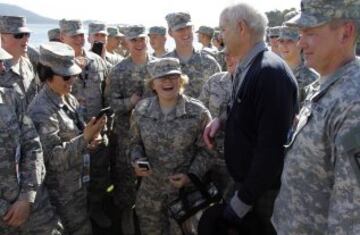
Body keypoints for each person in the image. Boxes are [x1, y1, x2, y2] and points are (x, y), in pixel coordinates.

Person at [202, 3, 298, 235]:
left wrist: (242, 201)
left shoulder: (269, 73)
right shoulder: (249, 66)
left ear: (241, 28)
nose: (220, 36)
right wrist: (222, 120)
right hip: (248, 185)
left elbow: (271, 149)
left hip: (260, 194)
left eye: (223, 30)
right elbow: (245, 108)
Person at [272, 0, 360, 234]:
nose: (300, 42)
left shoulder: (354, 101)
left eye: (309, 32)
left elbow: (352, 216)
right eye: (300, 33)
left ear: (346, 32)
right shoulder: (321, 85)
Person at [27, 42, 107, 235]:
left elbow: (78, 134)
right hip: (62, 195)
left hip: (78, 186)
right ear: (47, 75)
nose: (72, 80)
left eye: (73, 74)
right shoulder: (41, 111)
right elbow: (51, 159)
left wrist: (92, 138)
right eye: (66, 76)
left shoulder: (67, 98)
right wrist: (85, 138)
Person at [130, 57, 212, 235]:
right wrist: (136, 161)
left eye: (173, 77)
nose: (167, 81)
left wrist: (191, 175)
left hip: (184, 196)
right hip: (150, 196)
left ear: (181, 81)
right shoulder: (141, 111)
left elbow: (207, 151)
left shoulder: (198, 113)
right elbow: (134, 143)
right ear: (153, 84)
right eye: (161, 78)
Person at [0, 47, 63, 235]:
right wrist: (5, 208)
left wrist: (27, 195)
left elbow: (32, 144)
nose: (3, 69)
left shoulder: (11, 96)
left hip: (32, 202)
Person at [60, 19, 111, 229]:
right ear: (62, 38)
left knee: (99, 175)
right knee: (74, 180)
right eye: (74, 36)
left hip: (97, 130)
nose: (79, 39)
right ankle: (76, 217)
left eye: (81, 35)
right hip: (71, 134)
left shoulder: (96, 61)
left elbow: (106, 93)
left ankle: (95, 209)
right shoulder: (57, 64)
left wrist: (104, 126)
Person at [108, 24, 155, 235]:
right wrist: (131, 102)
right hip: (128, 135)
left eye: (141, 39)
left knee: (152, 178)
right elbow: (111, 104)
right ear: (126, 42)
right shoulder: (118, 70)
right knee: (126, 180)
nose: (138, 43)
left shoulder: (157, 67)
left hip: (155, 135)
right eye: (133, 40)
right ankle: (127, 219)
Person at [198, 49, 239, 199]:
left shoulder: (255, 83)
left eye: (232, 54)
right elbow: (200, 114)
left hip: (237, 164)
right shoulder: (215, 81)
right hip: (209, 159)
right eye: (226, 55)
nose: (228, 59)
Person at [164, 12, 221, 98]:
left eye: (188, 27)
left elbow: (222, 96)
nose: (186, 32)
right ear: (170, 33)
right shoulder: (163, 64)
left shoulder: (210, 63)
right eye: (180, 29)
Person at [0, 15, 38, 107]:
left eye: (27, 34)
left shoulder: (27, 64)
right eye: (19, 35)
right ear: (2, 38)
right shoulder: (1, 68)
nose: (25, 39)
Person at [278, 25, 318, 103]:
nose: (284, 45)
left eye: (290, 41)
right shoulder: (274, 73)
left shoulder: (311, 78)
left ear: (300, 44)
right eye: (281, 41)